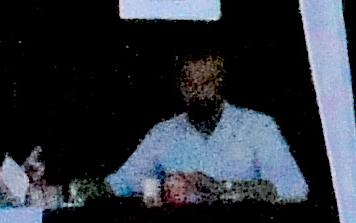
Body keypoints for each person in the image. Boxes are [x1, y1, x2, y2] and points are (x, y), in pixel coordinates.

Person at [106, 52, 309, 205]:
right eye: (190, 83)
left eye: (207, 82)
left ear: (222, 82)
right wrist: (89, 189)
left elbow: (294, 188)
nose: (198, 91)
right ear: (180, 86)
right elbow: (124, 182)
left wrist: (223, 188)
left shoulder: (258, 126)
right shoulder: (163, 133)